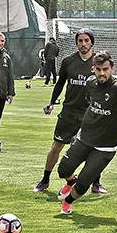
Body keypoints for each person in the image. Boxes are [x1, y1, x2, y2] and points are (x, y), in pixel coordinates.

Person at [57, 52, 117, 214]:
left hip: (106, 146)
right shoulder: (90, 83)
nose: (102, 73)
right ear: (93, 69)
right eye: (98, 69)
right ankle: (70, 182)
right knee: (63, 170)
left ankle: (67, 202)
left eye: (105, 69)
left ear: (112, 69)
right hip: (85, 138)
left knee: (83, 184)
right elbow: (90, 100)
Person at [34, 29, 106, 193]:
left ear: (91, 42)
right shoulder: (68, 61)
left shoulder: (99, 63)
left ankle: (96, 184)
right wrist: (52, 102)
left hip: (91, 113)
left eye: (86, 40)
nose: (83, 44)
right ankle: (45, 180)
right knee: (57, 146)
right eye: (80, 41)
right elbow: (60, 84)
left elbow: (106, 86)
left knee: (94, 149)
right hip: (69, 112)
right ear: (76, 43)